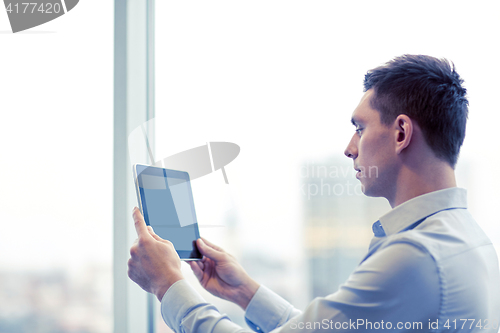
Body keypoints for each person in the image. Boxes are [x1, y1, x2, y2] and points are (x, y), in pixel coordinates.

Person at [127, 55, 500, 332]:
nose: (350, 148)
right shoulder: (469, 240)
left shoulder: (414, 256)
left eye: (359, 127)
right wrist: (245, 293)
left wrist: (168, 284)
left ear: (401, 133)